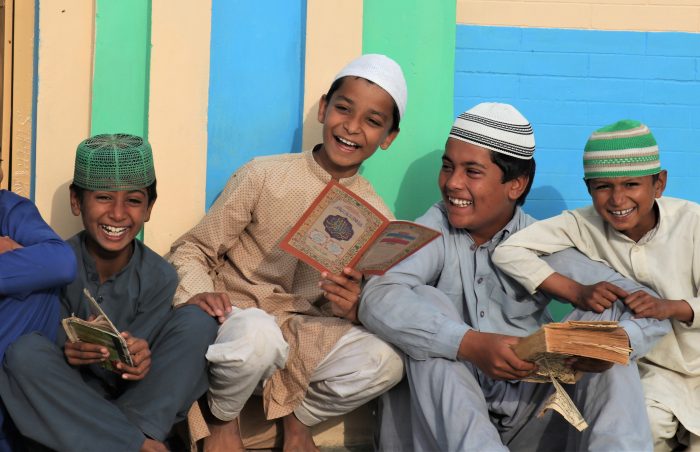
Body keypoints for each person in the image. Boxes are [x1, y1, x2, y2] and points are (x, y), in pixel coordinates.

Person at [359, 104, 670, 451]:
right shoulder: (429, 229)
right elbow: (378, 295)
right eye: (448, 167)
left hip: (534, 422)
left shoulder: (540, 240)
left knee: (604, 325)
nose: (452, 183)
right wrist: (469, 344)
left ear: (515, 184)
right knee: (428, 309)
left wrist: (607, 346)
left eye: (471, 171)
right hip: (445, 427)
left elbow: (648, 307)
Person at [167, 53, 406, 452]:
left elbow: (359, 306)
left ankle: (299, 419)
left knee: (387, 360)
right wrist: (198, 296)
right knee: (259, 336)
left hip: (304, 336)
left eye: (372, 121)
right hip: (238, 321)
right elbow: (193, 248)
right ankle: (223, 418)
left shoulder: (379, 217)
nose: (352, 127)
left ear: (388, 138)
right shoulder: (264, 175)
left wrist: (353, 306)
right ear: (324, 107)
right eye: (343, 109)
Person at [0, 134, 218, 452]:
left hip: (130, 406)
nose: (117, 214)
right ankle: (137, 444)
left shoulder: (160, 276)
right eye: (103, 198)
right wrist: (69, 352)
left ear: (149, 208)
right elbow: (44, 347)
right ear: (76, 202)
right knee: (24, 354)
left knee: (199, 321)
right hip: (67, 397)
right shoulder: (55, 263)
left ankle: (120, 439)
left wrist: (138, 359)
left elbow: (134, 367)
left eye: (133, 201)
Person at [492, 119, 700, 451]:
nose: (618, 200)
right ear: (588, 188)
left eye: (631, 184)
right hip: (645, 368)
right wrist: (576, 291)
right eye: (603, 186)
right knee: (645, 423)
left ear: (658, 183)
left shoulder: (692, 223)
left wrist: (672, 307)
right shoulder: (581, 224)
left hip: (696, 364)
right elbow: (508, 249)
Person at [0, 160, 77, 451]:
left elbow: (60, 263)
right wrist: (21, 262)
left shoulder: (9, 210)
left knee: (39, 291)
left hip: (14, 407)